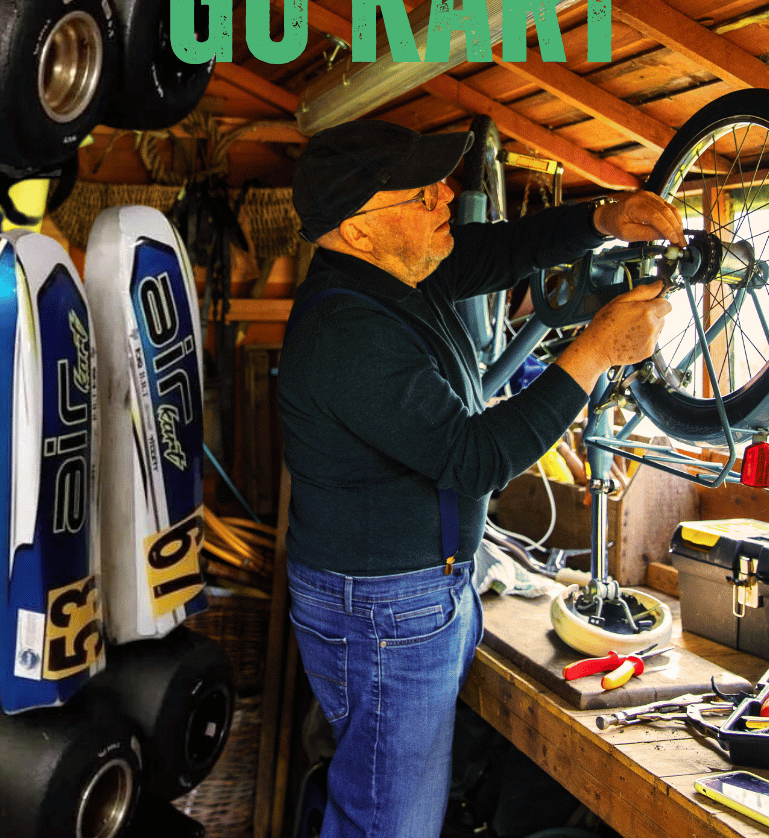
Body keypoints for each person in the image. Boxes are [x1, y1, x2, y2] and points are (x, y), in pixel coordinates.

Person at [277, 119, 683, 838]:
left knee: (388, 804)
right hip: (383, 614)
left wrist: (603, 218)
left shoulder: (400, 271)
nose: (447, 196)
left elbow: (500, 251)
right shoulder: (347, 331)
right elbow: (476, 458)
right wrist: (593, 352)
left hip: (418, 595)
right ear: (359, 230)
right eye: (421, 192)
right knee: (388, 824)